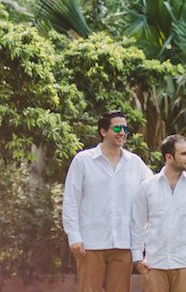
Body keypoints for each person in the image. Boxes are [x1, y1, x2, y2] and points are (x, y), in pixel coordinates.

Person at [62, 110, 152, 292]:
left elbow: (156, 186)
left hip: (123, 242)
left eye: (125, 128)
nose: (122, 132)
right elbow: (71, 200)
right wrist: (74, 236)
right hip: (90, 243)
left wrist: (185, 176)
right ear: (103, 131)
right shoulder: (83, 161)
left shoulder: (135, 163)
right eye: (117, 128)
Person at [131, 134, 186, 292]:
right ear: (169, 157)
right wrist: (137, 258)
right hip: (154, 264)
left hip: (185, 263)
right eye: (184, 154)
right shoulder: (147, 187)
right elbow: (138, 224)